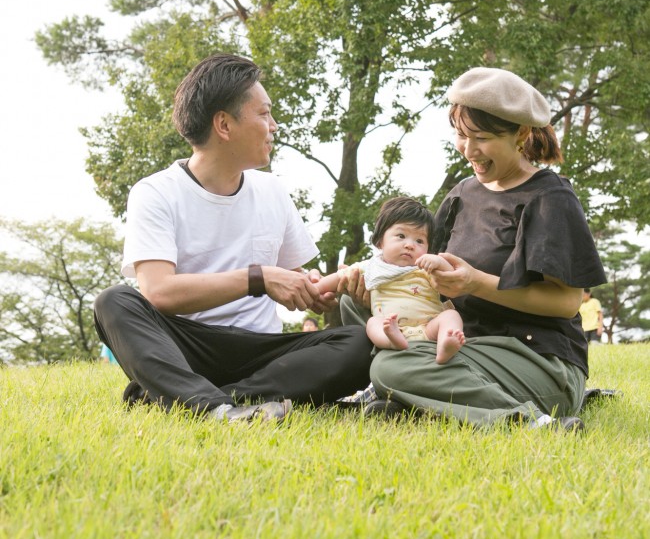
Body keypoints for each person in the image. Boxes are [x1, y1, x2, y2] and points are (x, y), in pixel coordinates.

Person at [94, 53, 372, 424]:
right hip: (185, 345)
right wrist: (258, 278)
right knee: (113, 302)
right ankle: (215, 405)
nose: (274, 125)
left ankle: (196, 398)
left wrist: (333, 286)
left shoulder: (272, 190)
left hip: (259, 349)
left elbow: (299, 284)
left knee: (359, 342)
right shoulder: (155, 192)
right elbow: (159, 292)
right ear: (224, 125)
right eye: (264, 114)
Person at [341, 67, 607, 431]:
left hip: (535, 358)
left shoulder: (549, 198)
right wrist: (369, 283)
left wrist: (474, 283)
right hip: (462, 343)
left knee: (391, 365)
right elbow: (421, 275)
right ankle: (412, 397)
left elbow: (565, 302)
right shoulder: (461, 195)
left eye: (480, 137)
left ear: (521, 134)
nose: (468, 150)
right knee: (356, 304)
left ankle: (528, 420)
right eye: (461, 135)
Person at [318, 197, 465, 364]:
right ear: (380, 241)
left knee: (450, 315)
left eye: (419, 241)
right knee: (374, 323)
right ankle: (392, 342)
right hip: (393, 327)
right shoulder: (371, 267)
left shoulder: (425, 268)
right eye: (401, 236)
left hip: (429, 327)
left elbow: (451, 276)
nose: (410, 245)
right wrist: (315, 289)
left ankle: (446, 343)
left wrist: (440, 262)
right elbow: (337, 278)